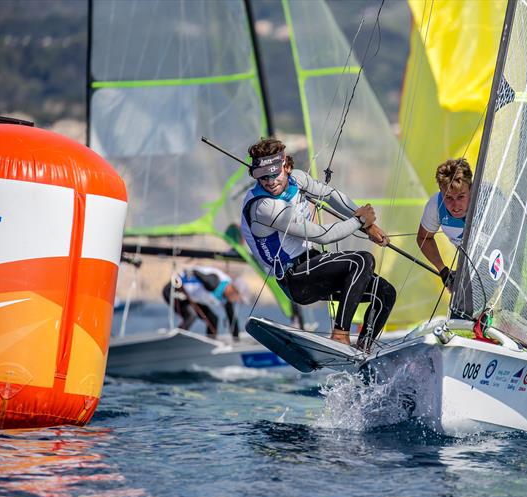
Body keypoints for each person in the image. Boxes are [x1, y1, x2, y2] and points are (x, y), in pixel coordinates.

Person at [240, 137, 396, 351]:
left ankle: (362, 351)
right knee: (361, 260)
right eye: (262, 177)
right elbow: (322, 235)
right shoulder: (263, 207)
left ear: (285, 165)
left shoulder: (298, 179)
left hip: (311, 262)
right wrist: (360, 220)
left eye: (274, 174)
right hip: (294, 278)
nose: (269, 181)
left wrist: (368, 227)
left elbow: (330, 195)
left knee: (385, 293)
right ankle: (340, 336)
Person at [416, 157, 473, 291]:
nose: (455, 206)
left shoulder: (489, 199)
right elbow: (424, 238)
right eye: (448, 197)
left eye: (461, 197)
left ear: (471, 189)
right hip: (469, 266)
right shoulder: (435, 205)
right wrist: (443, 271)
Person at [162, 265, 241, 339]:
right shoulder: (214, 283)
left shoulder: (226, 295)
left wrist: (236, 338)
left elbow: (232, 316)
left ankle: (210, 342)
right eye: (231, 300)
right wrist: (191, 272)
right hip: (173, 290)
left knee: (213, 319)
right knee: (191, 315)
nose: (231, 303)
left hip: (191, 298)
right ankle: (176, 339)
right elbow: (197, 273)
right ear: (230, 292)